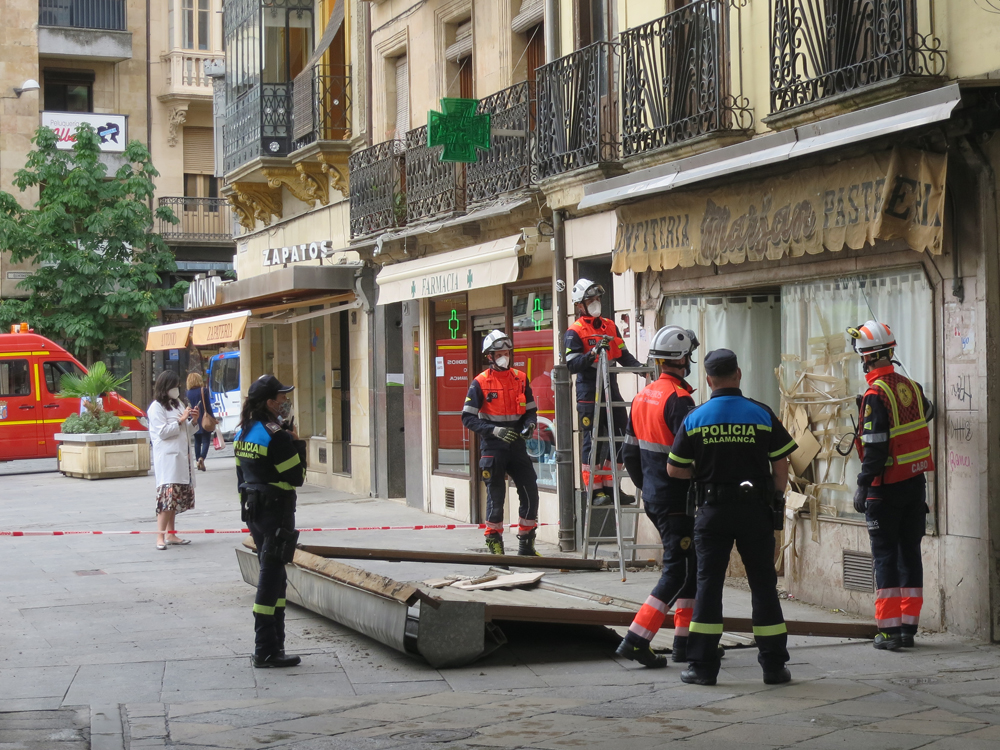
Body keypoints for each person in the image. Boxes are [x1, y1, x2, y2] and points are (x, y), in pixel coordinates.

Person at [667, 349, 797, 686]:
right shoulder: (761, 413)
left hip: (711, 512)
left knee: (708, 586)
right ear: (738, 374)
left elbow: (674, 468)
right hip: (755, 510)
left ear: (708, 380)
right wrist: (776, 496)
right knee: (764, 586)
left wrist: (703, 473)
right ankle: (773, 666)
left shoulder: (695, 417)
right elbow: (781, 464)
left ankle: (703, 668)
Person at [848, 320, 934, 651]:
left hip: (884, 489)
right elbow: (926, 412)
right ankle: (908, 629)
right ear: (890, 352)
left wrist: (862, 484)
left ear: (865, 358)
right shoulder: (911, 387)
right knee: (910, 554)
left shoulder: (874, 395)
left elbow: (876, 447)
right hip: (915, 486)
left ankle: (888, 631)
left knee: (884, 557)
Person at [617, 325, 699, 669]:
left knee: (690, 568)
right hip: (677, 499)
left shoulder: (643, 396)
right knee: (677, 572)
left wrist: (647, 487)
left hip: (654, 496)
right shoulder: (679, 400)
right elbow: (694, 454)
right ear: (681, 359)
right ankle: (636, 639)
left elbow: (630, 454)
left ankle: (684, 643)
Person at [234, 374, 307, 668]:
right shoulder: (276, 435)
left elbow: (241, 476)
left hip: (254, 511)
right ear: (269, 402)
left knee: (275, 576)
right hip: (277, 510)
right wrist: (295, 442)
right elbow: (296, 477)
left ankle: (274, 645)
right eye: (281, 398)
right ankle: (265, 648)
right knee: (272, 576)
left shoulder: (245, 431)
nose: (285, 402)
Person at [462, 330, 541, 556]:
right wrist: (493, 430)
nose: (504, 357)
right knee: (496, 498)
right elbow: (467, 417)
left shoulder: (521, 378)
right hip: (493, 446)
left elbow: (531, 411)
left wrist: (530, 425)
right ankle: (495, 546)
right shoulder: (480, 382)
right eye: (499, 353)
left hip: (517, 445)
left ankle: (526, 545)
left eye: (506, 352)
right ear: (490, 356)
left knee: (530, 492)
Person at [565, 279, 643, 506]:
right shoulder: (575, 332)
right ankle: (594, 490)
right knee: (594, 440)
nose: (596, 303)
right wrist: (591, 355)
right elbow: (572, 365)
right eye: (591, 300)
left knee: (622, 436)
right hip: (589, 389)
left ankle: (612, 486)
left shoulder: (610, 326)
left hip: (611, 386)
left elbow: (623, 355)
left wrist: (643, 370)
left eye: (598, 299)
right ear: (580, 305)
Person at [147, 370, 198, 550]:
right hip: (168, 459)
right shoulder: (156, 407)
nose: (177, 389)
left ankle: (171, 533)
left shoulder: (177, 404)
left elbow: (186, 431)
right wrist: (179, 421)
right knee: (167, 499)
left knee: (174, 499)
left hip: (181, 457)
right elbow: (162, 432)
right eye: (174, 385)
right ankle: (160, 537)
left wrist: (192, 421)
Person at [186, 371, 216, 472]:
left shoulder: (188, 393)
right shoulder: (204, 390)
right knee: (206, 440)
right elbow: (207, 406)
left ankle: (197, 460)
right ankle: (201, 458)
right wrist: (213, 418)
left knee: (197, 441)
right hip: (204, 418)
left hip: (194, 419)